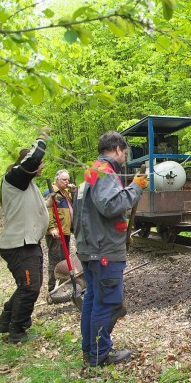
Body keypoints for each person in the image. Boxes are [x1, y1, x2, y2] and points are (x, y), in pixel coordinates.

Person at [73, 131, 147, 367]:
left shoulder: (91, 172)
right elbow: (110, 205)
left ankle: (90, 351)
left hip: (91, 247)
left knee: (93, 300)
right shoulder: (105, 173)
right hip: (103, 250)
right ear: (116, 149)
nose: (125, 157)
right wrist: (135, 187)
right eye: (125, 152)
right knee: (108, 302)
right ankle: (100, 354)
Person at [0, 130, 50, 343]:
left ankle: (6, 321)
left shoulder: (25, 183)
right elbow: (34, 157)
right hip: (19, 244)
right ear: (26, 164)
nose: (41, 165)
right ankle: (17, 331)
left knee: (27, 286)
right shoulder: (15, 177)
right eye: (40, 163)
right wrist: (42, 138)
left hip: (29, 243)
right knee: (29, 287)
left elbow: (29, 208)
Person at [43, 169, 75, 293]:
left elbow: (71, 208)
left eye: (68, 180)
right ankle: (53, 288)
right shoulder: (51, 192)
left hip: (65, 230)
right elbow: (47, 211)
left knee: (64, 259)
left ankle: (62, 284)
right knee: (55, 260)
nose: (67, 182)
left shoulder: (65, 193)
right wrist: (51, 228)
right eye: (64, 180)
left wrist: (72, 193)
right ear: (57, 180)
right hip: (56, 233)